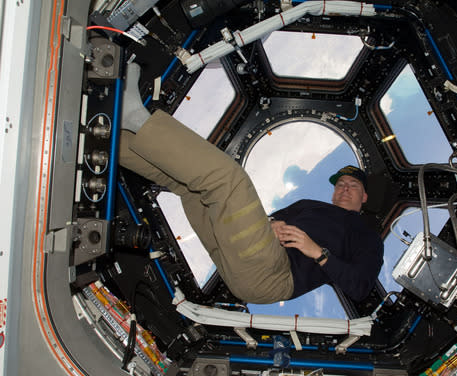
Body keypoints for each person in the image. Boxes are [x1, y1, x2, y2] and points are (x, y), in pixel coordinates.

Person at [119, 64, 383, 304]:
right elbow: (261, 224)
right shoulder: (309, 206)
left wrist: (317, 251)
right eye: (341, 184)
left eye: (353, 185)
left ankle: (136, 118)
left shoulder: (367, 236)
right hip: (243, 259)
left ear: (365, 198)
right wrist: (273, 224)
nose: (345, 188)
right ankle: (114, 140)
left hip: (273, 277)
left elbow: (360, 286)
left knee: (227, 180)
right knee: (189, 187)